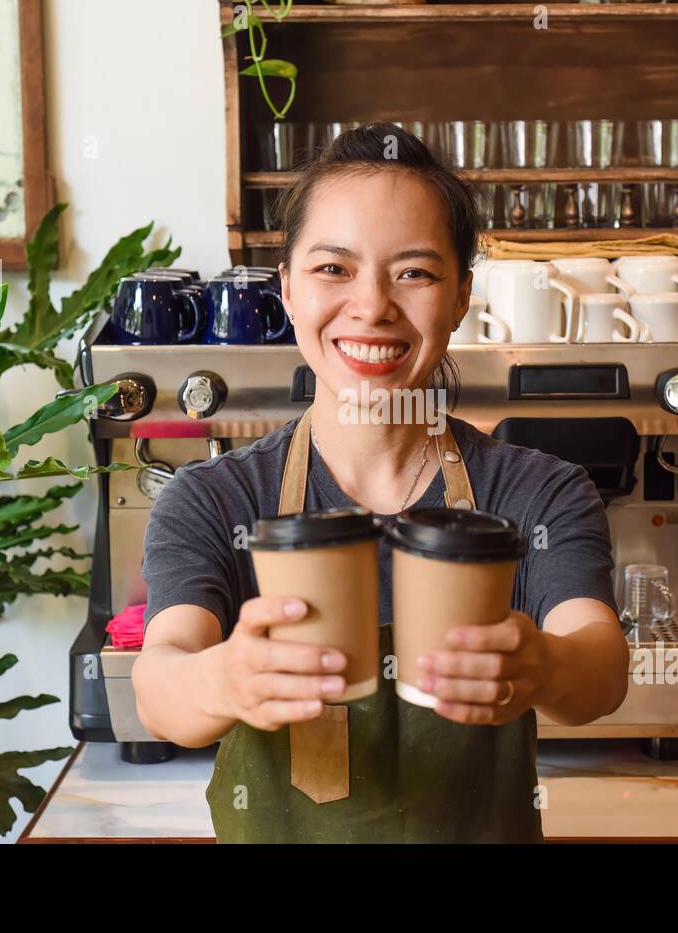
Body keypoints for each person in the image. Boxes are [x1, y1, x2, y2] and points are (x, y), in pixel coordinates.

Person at [133, 122, 628, 842]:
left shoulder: (538, 493)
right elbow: (159, 685)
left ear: (461, 296)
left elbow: (601, 666)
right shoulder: (214, 500)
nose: (371, 306)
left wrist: (543, 665)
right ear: (289, 292)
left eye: (415, 272)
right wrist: (226, 678)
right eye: (333, 268)